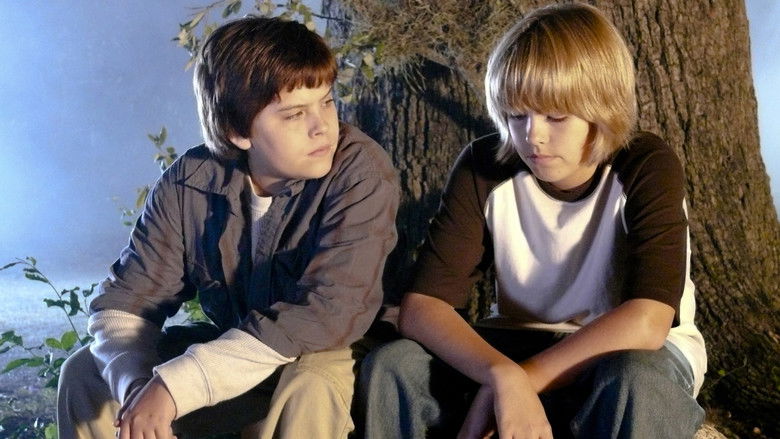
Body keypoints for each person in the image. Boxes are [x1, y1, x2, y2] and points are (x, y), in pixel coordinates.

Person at [359, 3, 706, 438]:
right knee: (394, 365)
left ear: (602, 107)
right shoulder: (483, 165)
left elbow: (648, 321)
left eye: (555, 117)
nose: (532, 137)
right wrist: (502, 377)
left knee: (636, 382)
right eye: (516, 115)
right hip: (519, 339)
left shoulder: (646, 164)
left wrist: (522, 381)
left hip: (627, 349)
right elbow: (422, 308)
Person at [57, 16, 399, 439]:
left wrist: (174, 387)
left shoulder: (360, 172)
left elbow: (327, 313)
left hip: (334, 351)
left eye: (326, 102)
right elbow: (126, 302)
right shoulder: (190, 181)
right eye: (295, 114)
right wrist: (136, 392)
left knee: (310, 383)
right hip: (236, 350)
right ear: (237, 131)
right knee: (85, 372)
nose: (322, 126)